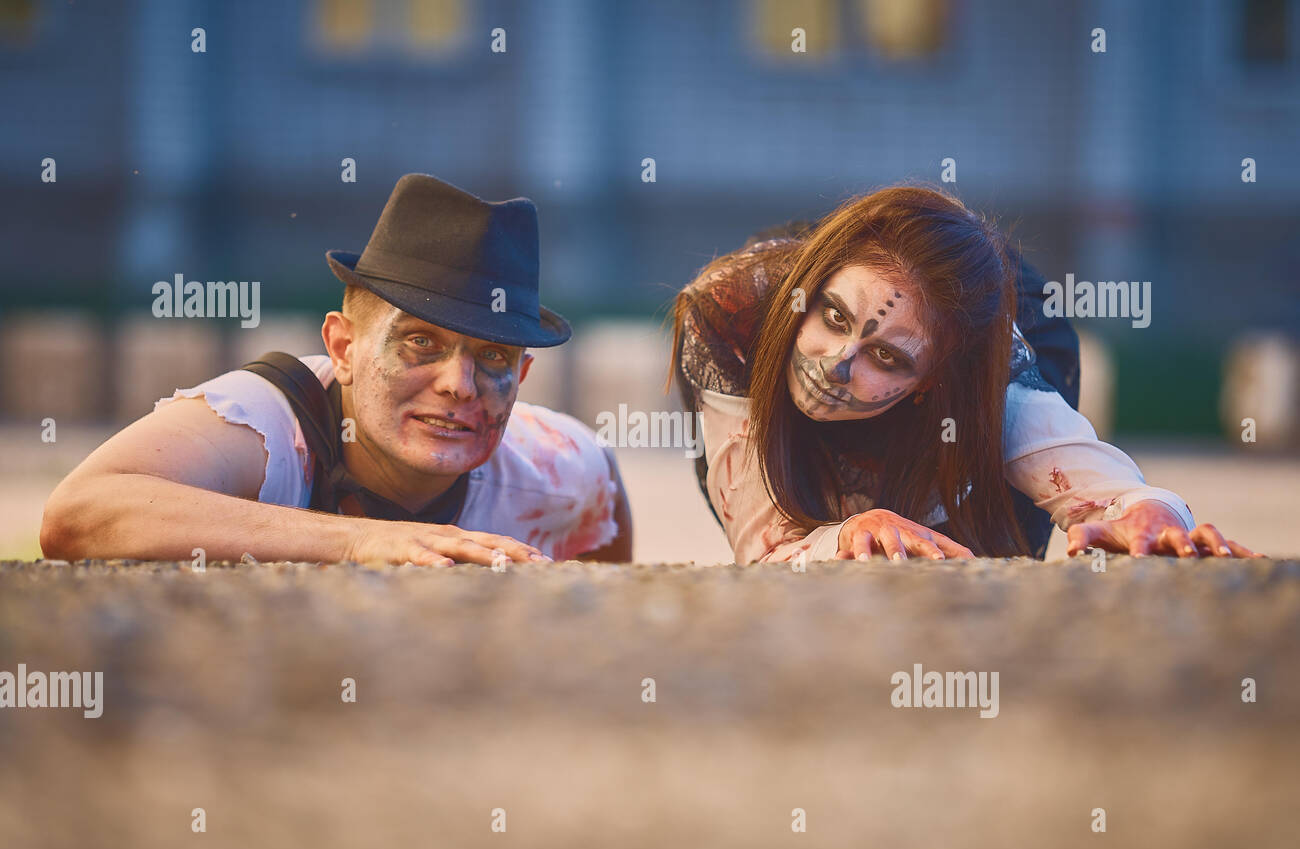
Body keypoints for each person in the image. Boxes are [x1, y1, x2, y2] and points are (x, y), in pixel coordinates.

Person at [41, 173, 631, 566]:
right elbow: (78, 516)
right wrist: (360, 539)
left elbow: (610, 615)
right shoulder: (267, 427)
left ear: (522, 380)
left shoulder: (561, 471)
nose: (458, 384)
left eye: (494, 356)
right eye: (422, 342)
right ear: (343, 349)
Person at [669, 185, 1261, 564]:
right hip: (769, 360)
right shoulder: (733, 318)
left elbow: (1107, 491)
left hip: (992, 362)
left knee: (968, 571)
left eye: (889, 357)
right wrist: (851, 529)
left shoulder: (990, 383)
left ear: (933, 380)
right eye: (833, 316)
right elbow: (763, 552)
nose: (838, 362)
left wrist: (1150, 514)